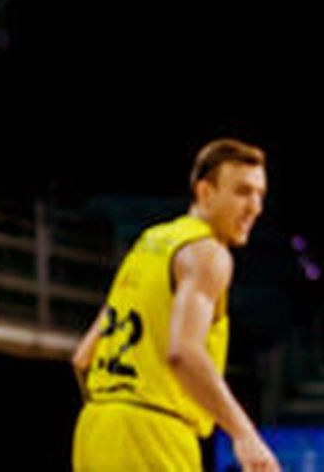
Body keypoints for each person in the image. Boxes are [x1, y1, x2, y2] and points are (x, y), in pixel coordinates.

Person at [71, 139, 277, 472]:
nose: (255, 207)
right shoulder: (208, 253)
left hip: (95, 427)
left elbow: (83, 357)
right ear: (205, 192)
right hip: (156, 430)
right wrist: (244, 434)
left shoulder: (148, 243)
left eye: (260, 194)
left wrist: (118, 412)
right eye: (242, 192)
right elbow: (183, 352)